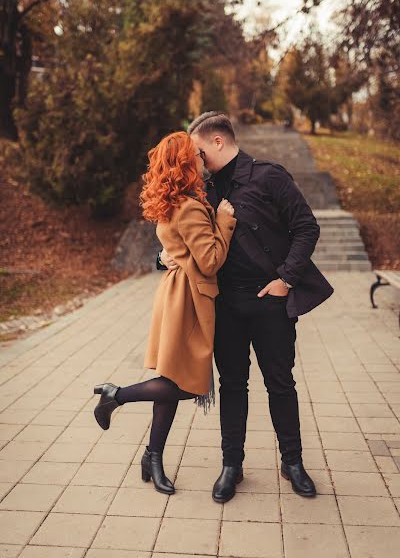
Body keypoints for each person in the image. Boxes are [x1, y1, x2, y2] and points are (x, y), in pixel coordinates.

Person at [156, 112, 334, 502]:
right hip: (225, 306)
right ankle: (231, 466)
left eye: (199, 150)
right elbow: (182, 234)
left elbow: (307, 227)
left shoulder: (269, 176)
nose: (195, 160)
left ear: (218, 141)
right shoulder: (199, 190)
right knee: (233, 386)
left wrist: (285, 280)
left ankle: (293, 462)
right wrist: (162, 257)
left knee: (281, 384)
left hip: (270, 300)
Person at [93, 130, 237, 495]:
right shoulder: (188, 207)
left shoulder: (174, 203)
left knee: (172, 384)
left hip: (176, 295)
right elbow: (210, 261)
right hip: (187, 301)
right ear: (185, 164)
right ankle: (116, 395)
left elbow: (177, 249)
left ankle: (152, 457)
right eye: (195, 155)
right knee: (183, 385)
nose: (201, 159)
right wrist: (224, 222)